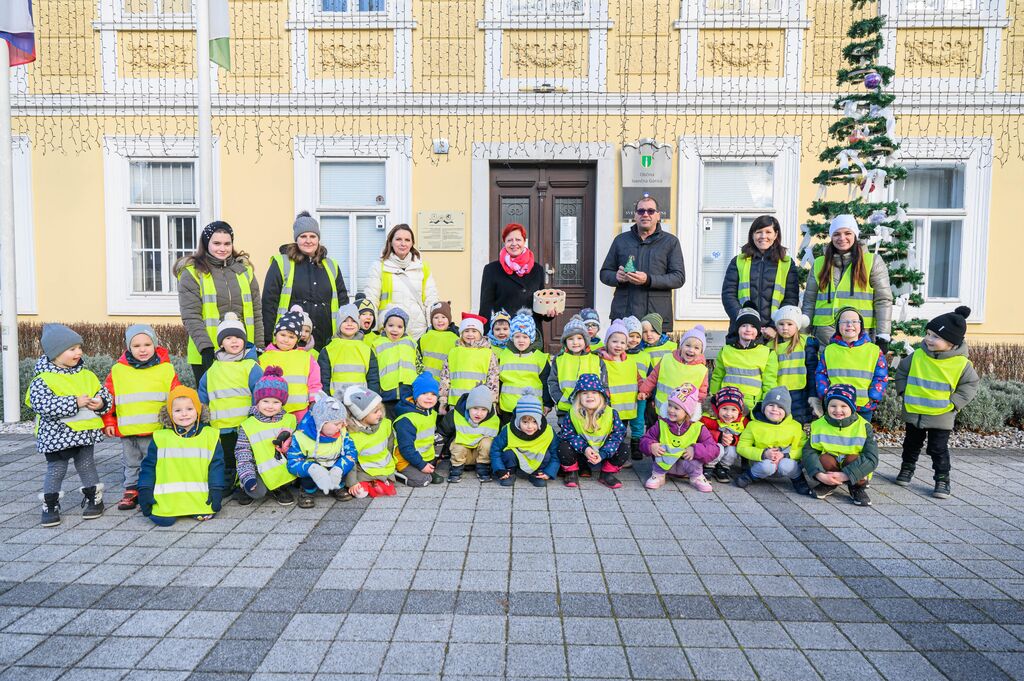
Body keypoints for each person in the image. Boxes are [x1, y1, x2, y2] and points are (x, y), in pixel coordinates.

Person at [29, 324, 112, 527]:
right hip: (56, 436)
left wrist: (101, 402)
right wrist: (73, 403)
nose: (79, 352)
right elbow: (42, 405)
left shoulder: (86, 374)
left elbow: (103, 393)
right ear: (55, 353)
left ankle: (94, 499)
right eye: (72, 349)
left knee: (86, 465)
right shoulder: (43, 379)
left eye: (79, 347)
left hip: (84, 434)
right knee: (56, 469)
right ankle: (50, 504)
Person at [894, 306, 980, 499]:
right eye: (928, 334)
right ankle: (906, 469)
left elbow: (970, 385)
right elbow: (902, 372)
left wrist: (953, 403)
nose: (928, 339)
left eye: (935, 337)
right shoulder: (917, 355)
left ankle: (942, 479)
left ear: (951, 343)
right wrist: (903, 391)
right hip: (914, 410)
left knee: (938, 449)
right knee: (910, 444)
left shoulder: (961, 364)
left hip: (942, 414)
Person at [102, 325, 182, 512]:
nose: (143, 349)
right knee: (131, 461)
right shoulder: (118, 371)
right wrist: (108, 421)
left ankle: (152, 487)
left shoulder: (165, 369)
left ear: (155, 345)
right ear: (128, 348)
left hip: (156, 428)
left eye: (147, 344)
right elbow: (108, 398)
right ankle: (131, 489)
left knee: (153, 460)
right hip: (128, 429)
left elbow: (175, 395)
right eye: (136, 345)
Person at [175, 220, 263, 384]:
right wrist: (206, 349)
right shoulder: (192, 273)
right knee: (213, 403)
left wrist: (258, 346)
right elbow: (191, 315)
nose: (222, 249)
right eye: (216, 243)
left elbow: (256, 313)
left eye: (227, 243)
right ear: (206, 244)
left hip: (243, 350)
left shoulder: (244, 271)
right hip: (207, 352)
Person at [802, 214, 893, 350]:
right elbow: (809, 300)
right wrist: (803, 333)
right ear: (832, 237)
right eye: (837, 234)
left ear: (855, 235)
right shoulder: (820, 263)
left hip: (860, 334)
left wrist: (883, 334)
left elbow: (883, 299)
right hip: (824, 335)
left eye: (847, 233)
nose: (842, 238)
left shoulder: (872, 261)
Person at [261, 211, 349, 353]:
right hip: (291, 343)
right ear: (296, 238)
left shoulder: (331, 266)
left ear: (318, 238)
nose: (308, 240)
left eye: (312, 236)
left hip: (326, 341)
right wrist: (268, 339)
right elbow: (269, 303)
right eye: (303, 236)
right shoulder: (282, 263)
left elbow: (343, 302)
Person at [138, 386, 225, 525]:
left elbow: (217, 467)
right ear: (169, 413)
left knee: (206, 514)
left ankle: (196, 509)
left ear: (198, 410)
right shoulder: (161, 437)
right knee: (162, 521)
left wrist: (216, 489)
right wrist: (145, 489)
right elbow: (148, 467)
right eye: (178, 410)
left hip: (199, 498)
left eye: (189, 409)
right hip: (169, 500)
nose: (184, 414)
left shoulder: (210, 435)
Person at [198, 313, 263, 498]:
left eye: (238, 338)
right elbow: (203, 394)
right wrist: (203, 417)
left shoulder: (251, 366)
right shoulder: (213, 370)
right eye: (228, 338)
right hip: (222, 425)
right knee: (227, 457)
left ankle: (245, 484)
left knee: (247, 457)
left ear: (244, 340)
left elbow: (259, 393)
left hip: (245, 425)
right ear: (221, 343)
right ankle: (228, 480)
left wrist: (256, 417)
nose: (234, 342)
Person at [599, 195, 685, 322]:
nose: (645, 214)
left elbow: (678, 278)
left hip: (655, 319)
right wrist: (616, 277)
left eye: (650, 211)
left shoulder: (670, 242)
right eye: (641, 211)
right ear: (635, 216)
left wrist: (649, 280)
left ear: (658, 216)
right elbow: (604, 273)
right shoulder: (621, 240)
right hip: (624, 315)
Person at [721, 215, 800, 339]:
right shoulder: (738, 261)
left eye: (768, 232)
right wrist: (746, 323)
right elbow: (728, 295)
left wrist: (774, 326)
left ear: (776, 234)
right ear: (752, 235)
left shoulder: (787, 263)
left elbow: (791, 298)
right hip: (743, 332)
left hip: (774, 334)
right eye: (759, 232)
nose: (763, 236)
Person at [803, 384, 878, 506]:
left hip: (854, 467)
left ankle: (857, 488)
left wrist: (846, 475)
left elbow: (872, 458)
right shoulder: (818, 425)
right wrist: (819, 475)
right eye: (833, 406)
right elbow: (809, 452)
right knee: (824, 459)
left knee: (854, 458)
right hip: (830, 466)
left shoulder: (864, 427)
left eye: (844, 406)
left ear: (852, 407)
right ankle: (828, 483)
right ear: (827, 407)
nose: (838, 410)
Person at [233, 367, 297, 506]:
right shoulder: (248, 425)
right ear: (257, 401)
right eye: (265, 401)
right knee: (257, 492)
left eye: (276, 402)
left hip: (281, 468)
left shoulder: (289, 420)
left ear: (282, 403)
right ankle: (244, 486)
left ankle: (280, 487)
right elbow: (243, 454)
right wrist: (247, 477)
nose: (270, 406)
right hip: (257, 469)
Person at [363, 224, 439, 339]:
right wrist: (371, 330)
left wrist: (432, 328)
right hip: (389, 332)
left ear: (412, 243)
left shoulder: (423, 267)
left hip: (418, 332)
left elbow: (431, 299)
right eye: (398, 239)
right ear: (391, 242)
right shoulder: (379, 267)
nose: (403, 244)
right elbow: (371, 300)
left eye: (407, 240)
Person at [813, 307, 887, 422]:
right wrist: (824, 394)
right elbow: (821, 374)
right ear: (838, 326)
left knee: (861, 437)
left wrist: (873, 396)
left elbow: (881, 376)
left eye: (854, 321)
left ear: (861, 325)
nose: (849, 325)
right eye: (844, 322)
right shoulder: (829, 350)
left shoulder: (874, 350)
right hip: (836, 406)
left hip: (862, 406)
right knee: (835, 437)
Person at [734, 387, 812, 495]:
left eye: (780, 407)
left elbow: (804, 448)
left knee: (787, 465)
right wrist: (763, 453)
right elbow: (742, 447)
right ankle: (750, 476)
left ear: (787, 410)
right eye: (771, 405)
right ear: (764, 406)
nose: (775, 409)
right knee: (767, 466)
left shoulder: (795, 426)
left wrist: (786, 455)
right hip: (761, 462)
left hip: (786, 461)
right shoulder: (753, 425)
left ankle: (798, 479)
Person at [641, 385, 718, 493]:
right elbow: (645, 439)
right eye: (670, 405)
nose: (671, 410)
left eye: (676, 408)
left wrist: (695, 450)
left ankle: (696, 477)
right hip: (664, 464)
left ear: (688, 412)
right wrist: (651, 445)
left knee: (696, 456)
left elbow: (713, 448)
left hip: (687, 466)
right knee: (659, 448)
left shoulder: (698, 427)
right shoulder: (661, 424)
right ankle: (658, 476)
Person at [287, 392, 358, 507]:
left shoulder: (342, 432)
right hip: (315, 468)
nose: (341, 426)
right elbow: (292, 463)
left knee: (343, 467)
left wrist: (340, 468)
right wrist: (311, 468)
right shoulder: (301, 436)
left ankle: (338, 486)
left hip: (334, 465)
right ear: (321, 423)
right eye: (336, 423)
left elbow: (352, 452)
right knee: (308, 474)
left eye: (342, 422)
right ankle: (307, 491)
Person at [558, 373, 628, 489]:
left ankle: (606, 473)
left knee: (624, 448)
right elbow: (568, 434)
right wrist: (585, 448)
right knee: (563, 446)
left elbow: (618, 435)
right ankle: (571, 472)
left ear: (601, 395)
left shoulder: (611, 413)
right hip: (581, 451)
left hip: (604, 451)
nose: (589, 396)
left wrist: (603, 453)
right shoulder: (572, 413)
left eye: (594, 392)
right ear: (578, 396)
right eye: (584, 393)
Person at [478, 222, 550, 333]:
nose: (514, 243)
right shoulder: (491, 270)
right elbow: (485, 307)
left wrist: (549, 313)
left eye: (518, 239)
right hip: (503, 333)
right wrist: (486, 334)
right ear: (504, 243)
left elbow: (541, 306)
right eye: (509, 240)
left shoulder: (537, 270)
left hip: (530, 334)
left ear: (524, 241)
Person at [710, 303, 778, 412]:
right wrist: (713, 397)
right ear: (737, 329)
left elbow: (769, 382)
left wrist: (766, 403)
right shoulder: (726, 351)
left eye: (753, 326)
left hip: (753, 406)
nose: (748, 329)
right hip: (727, 405)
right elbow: (717, 376)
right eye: (743, 325)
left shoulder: (767, 353)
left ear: (758, 330)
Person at [259, 305, 322, 421]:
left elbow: (314, 382)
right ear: (275, 334)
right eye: (283, 335)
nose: (286, 340)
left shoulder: (306, 357)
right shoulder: (264, 358)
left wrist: (314, 402)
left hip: (301, 410)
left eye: (291, 337)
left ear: (297, 339)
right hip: (272, 412)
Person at [637, 325, 708, 418]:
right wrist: (644, 390)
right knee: (660, 431)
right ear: (681, 346)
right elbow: (653, 377)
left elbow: (702, 391)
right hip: (663, 408)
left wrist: (697, 408)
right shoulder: (667, 359)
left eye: (696, 348)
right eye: (688, 345)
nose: (691, 350)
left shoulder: (702, 370)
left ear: (701, 352)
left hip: (684, 413)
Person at [491, 394, 560, 487]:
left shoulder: (548, 431)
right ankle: (509, 473)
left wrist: (549, 472)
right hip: (516, 460)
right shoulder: (508, 430)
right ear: (518, 420)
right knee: (508, 454)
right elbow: (496, 449)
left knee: (547, 455)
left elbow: (556, 453)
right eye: (525, 422)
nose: (530, 426)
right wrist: (500, 469)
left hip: (537, 460)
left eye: (534, 421)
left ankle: (537, 474)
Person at [497, 309, 552, 425]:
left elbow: (546, 382)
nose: (521, 340)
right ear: (512, 337)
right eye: (517, 337)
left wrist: (547, 403)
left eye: (525, 337)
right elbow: (498, 381)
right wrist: (496, 402)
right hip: (507, 407)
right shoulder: (503, 355)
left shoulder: (540, 358)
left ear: (531, 338)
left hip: (532, 407)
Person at [343, 386, 398, 498]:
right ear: (362, 416)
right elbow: (350, 460)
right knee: (360, 493)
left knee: (384, 488)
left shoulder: (385, 424)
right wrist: (352, 483)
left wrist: (393, 464)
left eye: (380, 409)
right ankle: (370, 482)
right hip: (363, 469)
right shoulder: (353, 435)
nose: (380, 414)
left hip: (383, 466)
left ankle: (379, 481)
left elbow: (390, 445)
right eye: (375, 411)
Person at [438, 313, 499, 413]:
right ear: (462, 333)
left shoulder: (488, 353)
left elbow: (493, 379)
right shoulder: (454, 352)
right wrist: (443, 401)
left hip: (479, 404)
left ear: (480, 333)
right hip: (456, 402)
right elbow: (445, 377)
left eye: (474, 331)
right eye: (466, 331)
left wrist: (492, 402)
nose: (470, 334)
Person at [440, 384, 499, 483]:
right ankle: (456, 468)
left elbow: (499, 443)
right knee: (457, 444)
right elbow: (443, 434)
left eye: (483, 409)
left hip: (480, 456)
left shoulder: (494, 419)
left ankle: (483, 468)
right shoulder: (455, 415)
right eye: (475, 408)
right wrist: (439, 456)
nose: (479, 413)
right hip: (460, 454)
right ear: (468, 407)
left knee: (488, 442)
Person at [548, 316, 607, 415]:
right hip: (566, 408)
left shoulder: (596, 358)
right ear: (565, 341)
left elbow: (604, 383)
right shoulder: (559, 359)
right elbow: (552, 381)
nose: (575, 342)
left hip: (591, 408)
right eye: (571, 339)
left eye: (579, 338)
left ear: (586, 340)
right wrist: (559, 399)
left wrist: (602, 402)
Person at [319, 303, 380, 398]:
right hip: (336, 400)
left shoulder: (366, 349)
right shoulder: (329, 349)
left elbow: (372, 378)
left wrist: (371, 398)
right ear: (339, 323)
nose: (349, 324)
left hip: (361, 399)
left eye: (354, 321)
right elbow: (324, 378)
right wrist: (327, 398)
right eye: (345, 321)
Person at [394, 373, 444, 486]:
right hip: (405, 458)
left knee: (439, 438)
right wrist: (421, 465)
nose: (429, 397)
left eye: (433, 394)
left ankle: (428, 467)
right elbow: (406, 448)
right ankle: (396, 474)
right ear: (416, 396)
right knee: (423, 481)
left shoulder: (431, 412)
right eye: (424, 393)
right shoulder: (407, 419)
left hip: (421, 455)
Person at [770, 306, 815, 425]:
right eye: (781, 324)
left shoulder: (807, 342)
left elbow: (812, 370)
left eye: (790, 324)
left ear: (797, 326)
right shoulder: (770, 346)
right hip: (778, 391)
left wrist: (813, 394)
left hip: (800, 392)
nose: (785, 328)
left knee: (798, 421)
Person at [600, 320, 642, 443]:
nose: (619, 345)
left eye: (623, 342)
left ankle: (619, 454)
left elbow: (638, 378)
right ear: (607, 342)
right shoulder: (601, 361)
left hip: (626, 405)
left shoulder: (630, 362)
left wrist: (643, 390)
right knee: (608, 433)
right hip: (609, 406)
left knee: (621, 432)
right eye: (614, 341)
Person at [374, 306, 420, 418]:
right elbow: (373, 370)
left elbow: (419, 365)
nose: (395, 329)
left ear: (405, 328)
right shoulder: (377, 344)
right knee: (388, 422)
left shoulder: (410, 343)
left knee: (406, 421)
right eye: (390, 325)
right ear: (384, 326)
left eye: (399, 326)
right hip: (387, 392)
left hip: (408, 391)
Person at [701, 387, 749, 483]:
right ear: (717, 407)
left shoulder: (743, 422)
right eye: (725, 409)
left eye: (733, 410)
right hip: (713, 444)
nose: (728, 414)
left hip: (729, 445)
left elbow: (746, 438)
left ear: (740, 410)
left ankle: (723, 467)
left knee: (732, 451)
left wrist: (734, 440)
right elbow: (700, 432)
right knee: (718, 448)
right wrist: (718, 436)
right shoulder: (708, 418)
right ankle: (708, 467)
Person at [624, 316, 649, 460]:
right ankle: (619, 443)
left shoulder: (644, 356)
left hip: (640, 395)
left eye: (637, 336)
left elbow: (650, 375)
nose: (634, 339)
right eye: (630, 336)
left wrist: (646, 391)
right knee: (620, 421)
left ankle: (636, 444)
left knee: (638, 420)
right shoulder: (620, 355)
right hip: (623, 395)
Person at [419, 301, 458, 379]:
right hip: (427, 381)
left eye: (443, 317)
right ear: (431, 320)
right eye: (436, 317)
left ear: (449, 319)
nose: (440, 320)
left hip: (446, 381)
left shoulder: (456, 339)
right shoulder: (425, 337)